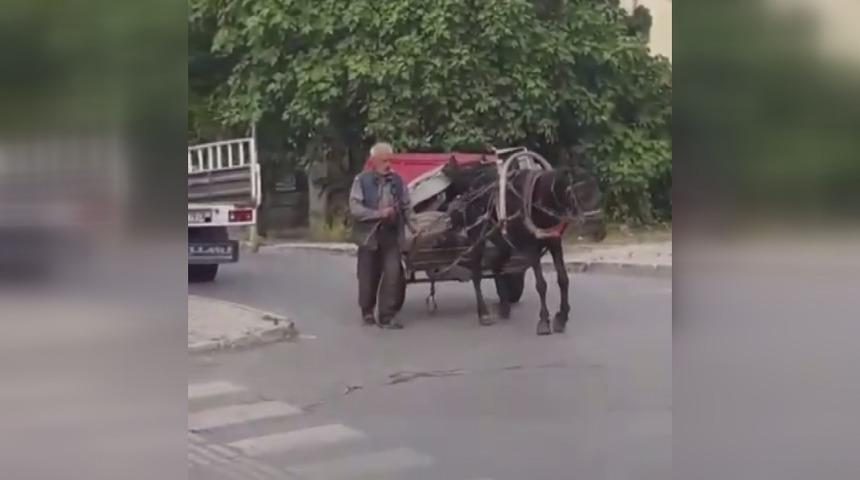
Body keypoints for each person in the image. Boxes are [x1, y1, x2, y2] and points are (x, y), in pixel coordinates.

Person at [349, 142, 416, 329]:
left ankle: (386, 316)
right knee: (368, 276)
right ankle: (367, 311)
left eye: (389, 160)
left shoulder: (397, 181)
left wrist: (415, 227)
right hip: (369, 235)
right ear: (374, 161)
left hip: (391, 234)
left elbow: (406, 206)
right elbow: (355, 209)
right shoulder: (361, 180)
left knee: (393, 274)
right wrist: (379, 214)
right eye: (384, 160)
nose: (388, 164)